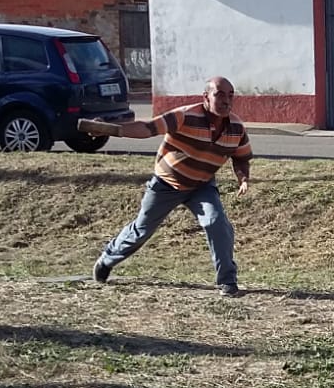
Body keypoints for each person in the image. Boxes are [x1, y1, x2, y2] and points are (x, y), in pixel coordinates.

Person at [83, 76, 252, 296]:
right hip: (166, 183)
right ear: (206, 97)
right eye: (219, 95)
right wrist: (111, 129)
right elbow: (147, 128)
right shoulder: (184, 116)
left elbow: (241, 158)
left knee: (217, 223)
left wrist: (243, 178)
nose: (226, 100)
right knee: (142, 229)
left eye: (230, 95)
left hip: (201, 185)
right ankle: (107, 259)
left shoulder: (236, 127)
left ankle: (227, 282)